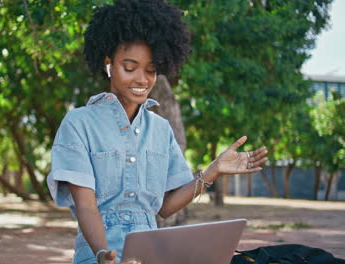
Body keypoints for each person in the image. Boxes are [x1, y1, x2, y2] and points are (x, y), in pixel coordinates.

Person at [47, 1, 268, 263]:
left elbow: (164, 207)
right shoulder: (78, 123)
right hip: (97, 254)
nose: (142, 79)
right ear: (108, 64)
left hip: (150, 254)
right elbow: (86, 206)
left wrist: (213, 170)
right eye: (129, 68)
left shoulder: (161, 129)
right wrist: (102, 254)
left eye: (151, 70)